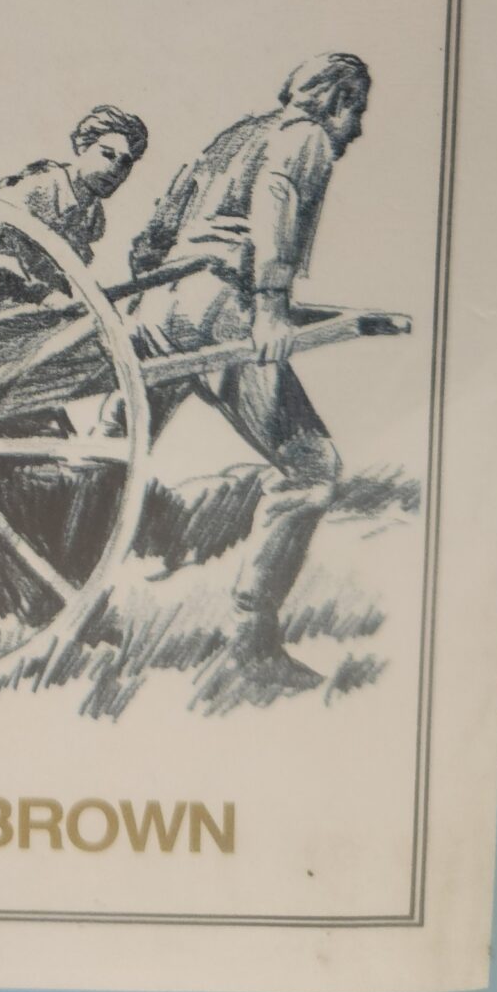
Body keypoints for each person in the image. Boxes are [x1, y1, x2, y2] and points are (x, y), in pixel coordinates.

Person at [126, 53, 372, 702]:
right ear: (336, 102)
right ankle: (252, 642)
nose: (357, 129)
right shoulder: (305, 136)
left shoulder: (236, 133)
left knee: (112, 456)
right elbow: (276, 205)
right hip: (219, 308)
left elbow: (156, 229)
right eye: (356, 112)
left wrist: (148, 294)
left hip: (156, 307)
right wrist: (268, 305)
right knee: (312, 467)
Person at [1, 104, 148, 266]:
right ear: (83, 148)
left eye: (125, 163)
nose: (115, 170)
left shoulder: (94, 222)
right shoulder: (37, 189)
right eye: (107, 154)